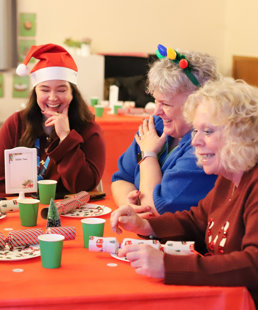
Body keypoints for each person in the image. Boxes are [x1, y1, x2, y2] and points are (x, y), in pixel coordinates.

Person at [110, 78, 258, 305]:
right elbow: (198, 220)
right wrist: (146, 225)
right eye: (196, 130)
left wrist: (167, 266)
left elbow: (253, 264)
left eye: (207, 131)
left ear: (241, 136)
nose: (196, 141)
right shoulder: (230, 176)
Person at [111, 44, 220, 216]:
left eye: (166, 104)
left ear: (197, 104)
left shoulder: (204, 146)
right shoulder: (156, 125)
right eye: (156, 101)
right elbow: (121, 179)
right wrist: (128, 203)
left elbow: (155, 211)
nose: (157, 111)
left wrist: (148, 155)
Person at [0, 43, 106, 198]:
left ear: (73, 94)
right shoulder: (15, 124)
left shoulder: (89, 129)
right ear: (35, 92)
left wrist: (66, 138)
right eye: (44, 90)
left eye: (61, 90)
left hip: (70, 211)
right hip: (22, 210)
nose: (52, 97)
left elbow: (84, 186)